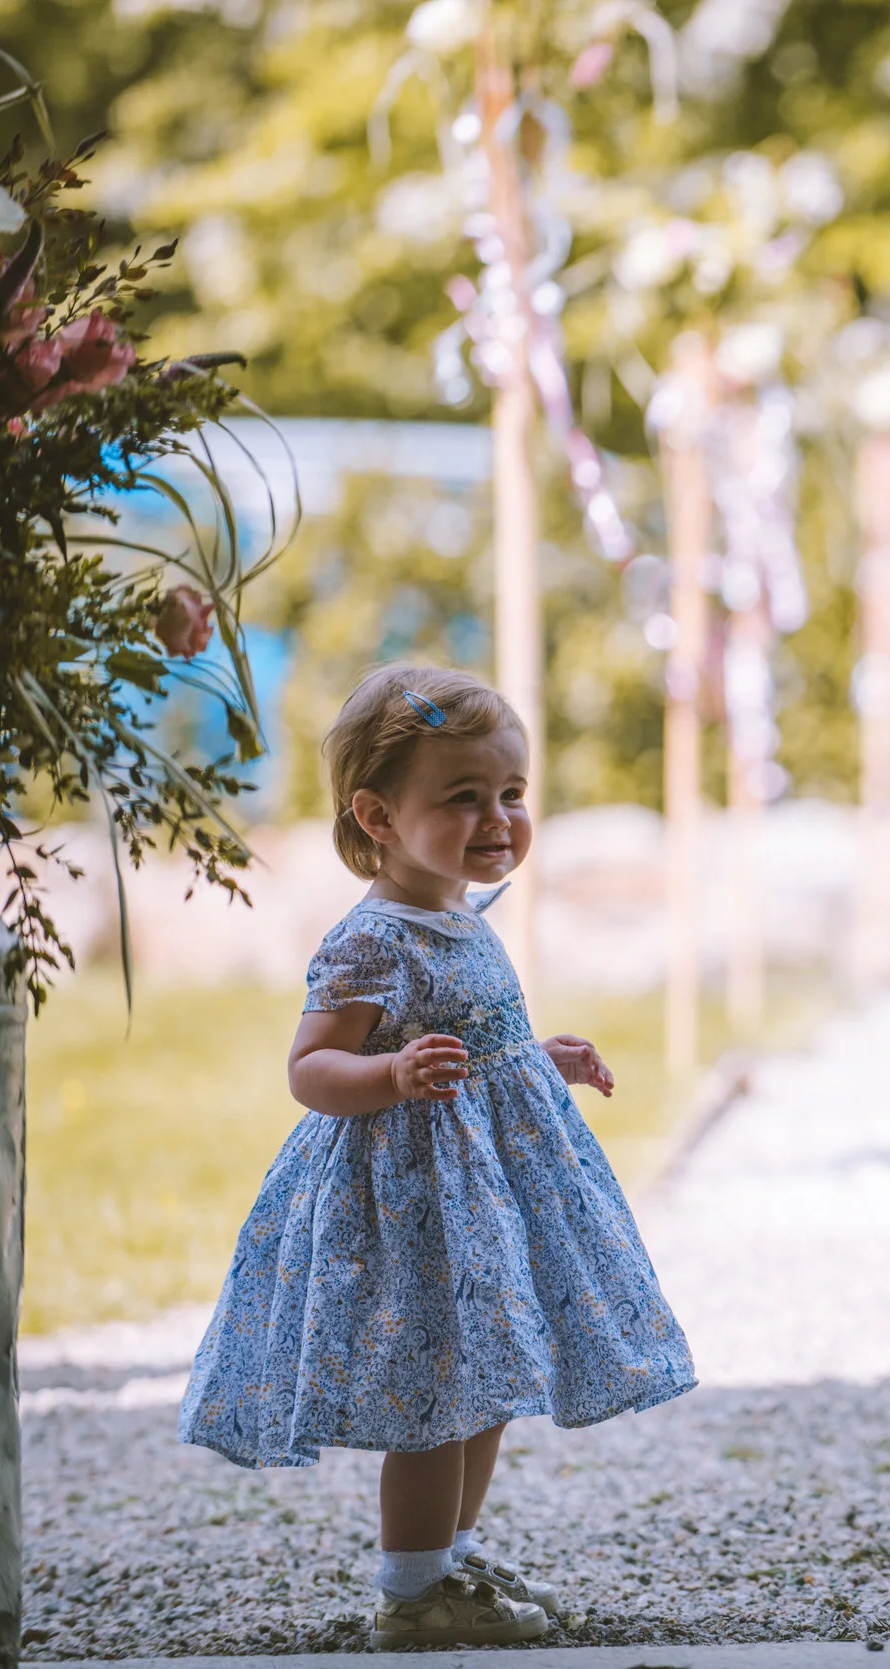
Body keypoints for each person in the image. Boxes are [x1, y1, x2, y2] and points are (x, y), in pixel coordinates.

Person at [178, 662, 695, 1647]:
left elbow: (478, 1040)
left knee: (490, 1379)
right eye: (462, 798)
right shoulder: (372, 942)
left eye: (510, 793)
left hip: (486, 1197)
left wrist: (536, 1061)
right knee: (437, 1396)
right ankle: (410, 1595)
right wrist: (393, 1077)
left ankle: (445, 1563)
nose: (498, 817)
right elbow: (312, 1067)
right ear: (377, 816)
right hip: (411, 1202)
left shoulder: (461, 912)